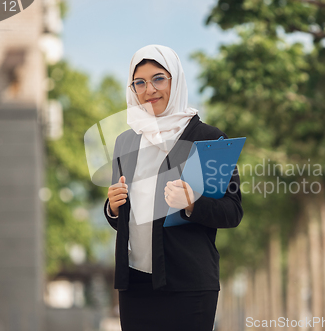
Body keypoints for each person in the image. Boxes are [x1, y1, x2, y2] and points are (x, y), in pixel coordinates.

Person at [103, 44, 243, 331]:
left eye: (158, 78)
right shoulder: (126, 142)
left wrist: (192, 202)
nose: (149, 89)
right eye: (139, 82)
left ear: (175, 80)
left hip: (188, 283)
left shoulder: (208, 139)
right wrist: (113, 208)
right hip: (135, 285)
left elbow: (232, 211)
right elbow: (129, 220)